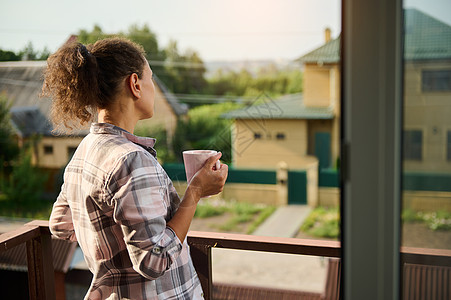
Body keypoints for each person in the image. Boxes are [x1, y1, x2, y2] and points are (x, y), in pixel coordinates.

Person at [43, 37, 228, 300]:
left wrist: (115, 245)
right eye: (150, 78)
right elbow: (154, 261)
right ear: (135, 84)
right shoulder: (132, 160)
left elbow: (60, 223)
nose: (153, 86)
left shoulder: (85, 149)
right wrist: (195, 191)